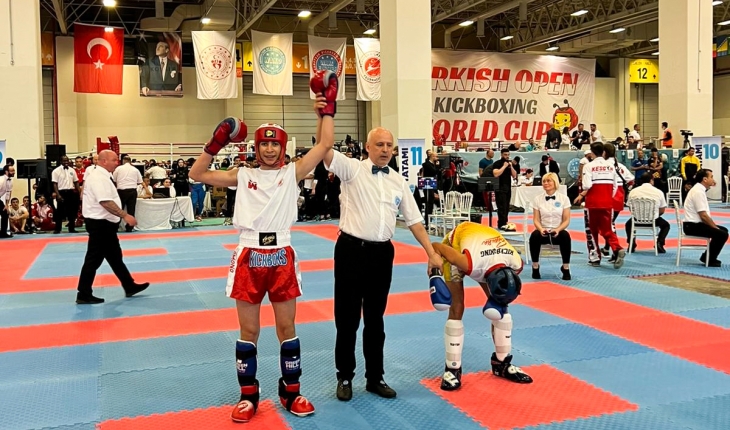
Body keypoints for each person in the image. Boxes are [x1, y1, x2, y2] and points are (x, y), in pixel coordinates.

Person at [188, 71, 338, 423]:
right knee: (249, 331)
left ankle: (291, 392)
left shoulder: (292, 173)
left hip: (281, 255)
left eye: (275, 144)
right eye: (264, 144)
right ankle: (248, 396)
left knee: (287, 329)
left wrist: (326, 109)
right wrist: (215, 143)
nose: (269, 149)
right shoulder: (242, 174)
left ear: (283, 148)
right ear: (256, 147)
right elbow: (197, 174)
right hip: (248, 255)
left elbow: (324, 145)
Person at [322, 125, 443, 402]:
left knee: (375, 319)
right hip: (351, 251)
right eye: (379, 144)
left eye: (389, 145)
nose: (385, 150)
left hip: (382, 255)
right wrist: (324, 116)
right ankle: (345, 376)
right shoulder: (352, 169)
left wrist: (431, 252)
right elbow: (326, 151)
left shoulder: (398, 181)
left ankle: (375, 377)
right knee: (347, 319)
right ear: (368, 147)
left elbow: (414, 221)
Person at [430, 221, 532, 391]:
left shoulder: (516, 263)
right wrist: (433, 271)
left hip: (483, 248)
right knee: (457, 307)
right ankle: (452, 368)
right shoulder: (468, 263)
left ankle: (501, 363)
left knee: (501, 309)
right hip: (456, 246)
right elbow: (435, 246)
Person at [76, 150, 150, 304]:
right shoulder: (98, 177)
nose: (117, 163)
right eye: (114, 160)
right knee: (93, 259)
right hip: (100, 224)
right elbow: (105, 201)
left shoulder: (103, 176)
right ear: (104, 161)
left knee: (115, 256)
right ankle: (83, 293)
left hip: (104, 224)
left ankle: (129, 285)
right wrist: (125, 215)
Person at [573, 143, 625, 268]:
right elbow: (615, 186)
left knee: (592, 231)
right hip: (607, 203)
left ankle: (595, 258)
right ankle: (617, 248)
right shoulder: (611, 166)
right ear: (603, 152)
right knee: (608, 229)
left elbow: (587, 185)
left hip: (592, 203)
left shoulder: (588, 166)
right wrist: (607, 197)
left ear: (592, 152)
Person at [530, 173, 572, 280]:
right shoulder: (537, 199)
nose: (545, 183)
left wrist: (558, 229)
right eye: (544, 181)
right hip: (543, 229)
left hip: (558, 230)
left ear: (555, 182)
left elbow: (566, 220)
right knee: (534, 236)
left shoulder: (564, 199)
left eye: (548, 181)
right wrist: (541, 229)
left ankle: (566, 268)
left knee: (566, 236)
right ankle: (535, 267)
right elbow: (536, 219)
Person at [683, 169, 728, 267]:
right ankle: (710, 259)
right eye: (711, 177)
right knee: (722, 234)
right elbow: (703, 216)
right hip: (692, 226)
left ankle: (707, 256)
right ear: (705, 179)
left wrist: (710, 185)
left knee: (724, 230)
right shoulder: (698, 192)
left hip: (693, 224)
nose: (713, 179)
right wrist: (715, 227)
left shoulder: (699, 189)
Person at [625, 172, 670, 254]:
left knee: (628, 225)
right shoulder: (658, 192)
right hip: (653, 220)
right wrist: (654, 215)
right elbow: (662, 210)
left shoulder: (633, 192)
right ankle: (659, 243)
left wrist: (638, 214)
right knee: (666, 225)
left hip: (637, 220)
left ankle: (631, 243)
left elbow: (630, 208)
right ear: (651, 180)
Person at [113, 156, 144, 232]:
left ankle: (116, 226)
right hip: (132, 191)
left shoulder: (118, 169)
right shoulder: (135, 169)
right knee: (131, 210)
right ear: (130, 161)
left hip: (121, 191)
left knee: (119, 209)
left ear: (123, 161)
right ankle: (129, 227)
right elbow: (140, 181)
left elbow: (114, 179)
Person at [51, 155, 81, 234]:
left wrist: (80, 193)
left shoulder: (72, 170)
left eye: (67, 160)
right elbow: (54, 184)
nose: (66, 162)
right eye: (64, 161)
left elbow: (76, 182)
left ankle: (71, 228)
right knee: (59, 212)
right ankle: (57, 229)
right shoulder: (56, 171)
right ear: (61, 161)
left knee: (72, 212)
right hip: (61, 192)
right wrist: (58, 195)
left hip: (71, 192)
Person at [492, 148, 517, 231]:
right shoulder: (497, 163)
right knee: (501, 207)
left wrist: (511, 166)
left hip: (508, 188)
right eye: (505, 155)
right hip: (499, 188)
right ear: (501, 155)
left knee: (506, 207)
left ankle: (505, 222)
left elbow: (514, 175)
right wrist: (504, 166)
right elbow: (496, 174)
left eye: (508, 155)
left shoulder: (509, 164)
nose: (507, 156)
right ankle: (501, 223)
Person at [0, 165, 14, 238]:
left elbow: (8, 193)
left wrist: (6, 205)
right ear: (6, 172)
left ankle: (3, 232)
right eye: (12, 171)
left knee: (5, 212)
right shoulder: (1, 180)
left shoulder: (10, 181)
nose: (14, 172)